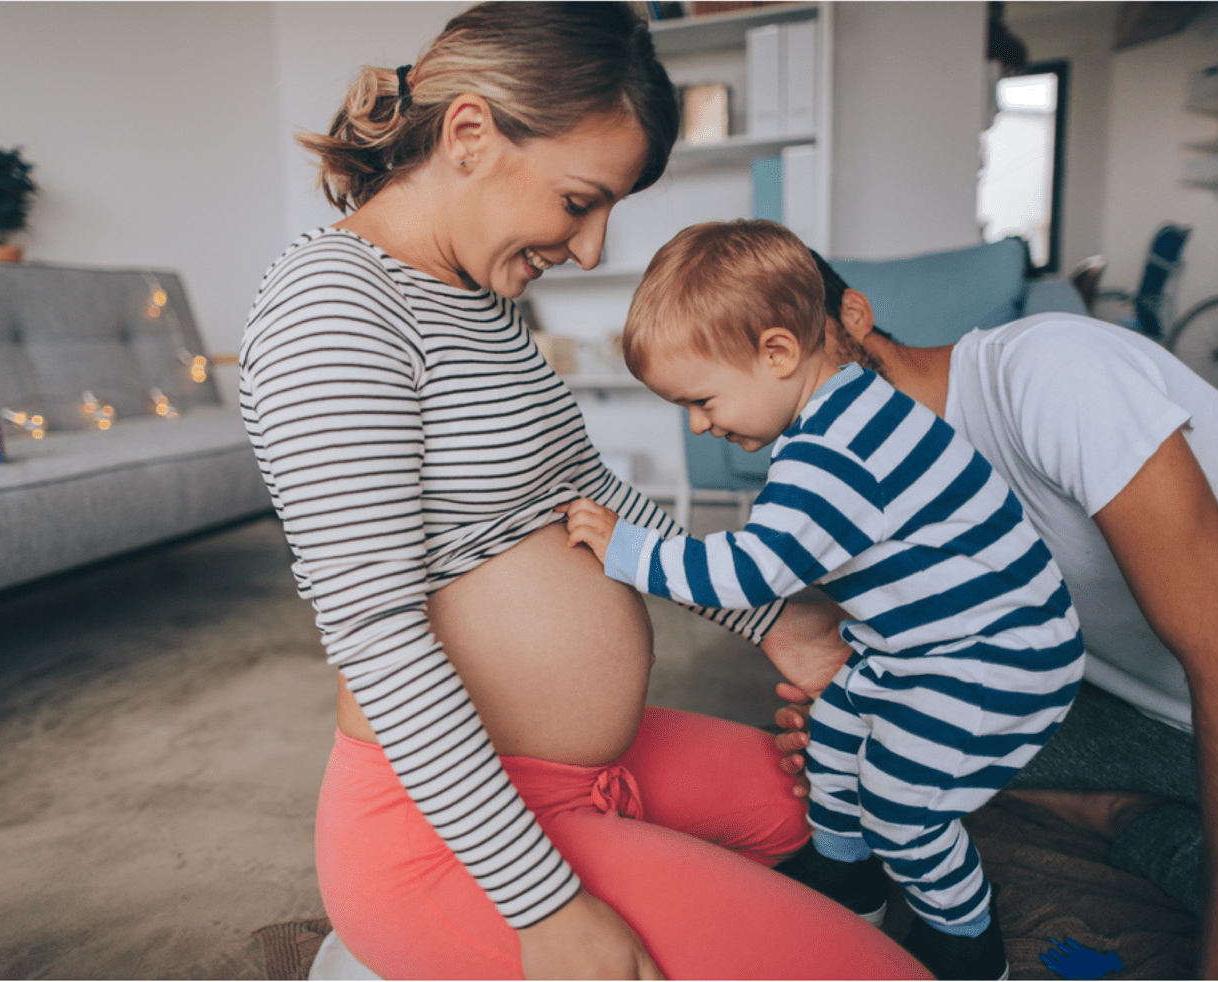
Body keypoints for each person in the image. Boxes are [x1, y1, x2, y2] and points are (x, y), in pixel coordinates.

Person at [237, 4, 927, 979]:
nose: (594, 249)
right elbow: (375, 634)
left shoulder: (476, 300)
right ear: (469, 134)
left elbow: (592, 500)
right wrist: (546, 908)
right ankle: (401, 943)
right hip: (447, 827)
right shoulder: (334, 309)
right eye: (577, 201)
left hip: (588, 768)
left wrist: (780, 620)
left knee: (817, 799)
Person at [562, 219, 1085, 980]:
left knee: (906, 810)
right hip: (918, 645)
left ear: (777, 352)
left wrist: (630, 550)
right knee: (837, 734)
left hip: (995, 654)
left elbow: (748, 574)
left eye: (703, 399)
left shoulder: (836, 454)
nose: (700, 423)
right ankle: (851, 879)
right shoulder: (848, 409)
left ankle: (969, 945)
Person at [771, 250, 1218, 978]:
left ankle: (1131, 817)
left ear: (853, 320)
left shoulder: (1051, 373)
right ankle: (1127, 811)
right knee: (863, 729)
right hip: (1142, 715)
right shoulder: (858, 486)